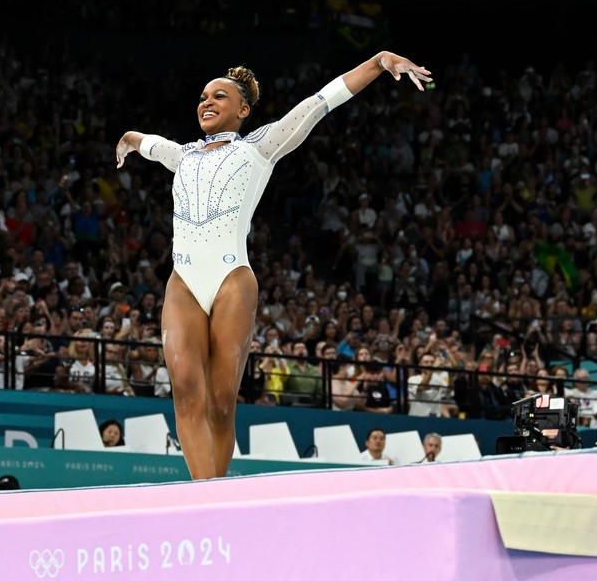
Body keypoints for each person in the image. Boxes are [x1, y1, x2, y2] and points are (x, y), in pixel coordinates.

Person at [115, 51, 432, 480]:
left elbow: (320, 102)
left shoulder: (260, 146)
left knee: (222, 403)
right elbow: (148, 143)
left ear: (242, 109)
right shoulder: (182, 154)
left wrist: (377, 63)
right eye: (204, 96)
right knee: (187, 392)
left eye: (220, 96)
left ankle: (217, 490)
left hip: (231, 279)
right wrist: (129, 139)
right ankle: (200, 494)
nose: (207, 101)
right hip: (183, 281)